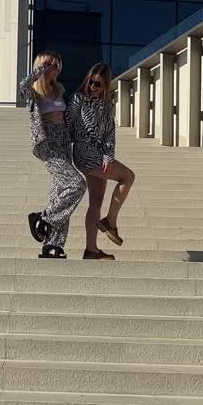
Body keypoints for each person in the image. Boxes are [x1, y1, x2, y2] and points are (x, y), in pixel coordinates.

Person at [20, 51, 86, 258]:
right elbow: (22, 86)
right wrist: (40, 70)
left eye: (57, 64)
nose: (55, 68)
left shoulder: (59, 89)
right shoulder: (33, 90)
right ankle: (43, 218)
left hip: (64, 140)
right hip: (47, 142)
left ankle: (53, 245)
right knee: (77, 184)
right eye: (50, 64)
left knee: (61, 192)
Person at [69, 63, 136, 260]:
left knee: (95, 203)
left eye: (97, 84)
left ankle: (91, 250)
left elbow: (109, 133)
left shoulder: (107, 104)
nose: (92, 87)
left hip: (100, 156)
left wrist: (108, 155)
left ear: (105, 84)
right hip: (86, 154)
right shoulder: (79, 99)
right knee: (128, 176)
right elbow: (68, 123)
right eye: (90, 82)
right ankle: (110, 221)